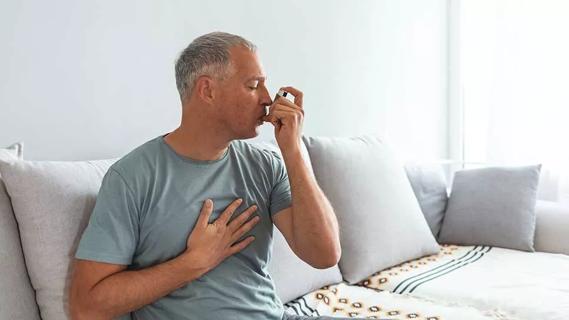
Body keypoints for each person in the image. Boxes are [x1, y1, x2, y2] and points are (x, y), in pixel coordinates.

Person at [69, 31, 345, 320]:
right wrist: (193, 263)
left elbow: (325, 255)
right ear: (208, 91)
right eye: (253, 85)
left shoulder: (266, 165)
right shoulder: (131, 178)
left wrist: (294, 151)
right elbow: (86, 306)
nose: (267, 98)